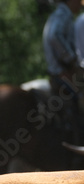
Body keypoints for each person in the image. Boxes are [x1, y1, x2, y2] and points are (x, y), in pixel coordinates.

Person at [43, 0, 83, 144]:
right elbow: (54, 36)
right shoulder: (63, 14)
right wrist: (71, 60)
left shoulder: (60, 14)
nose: (80, 4)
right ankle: (78, 141)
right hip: (62, 73)